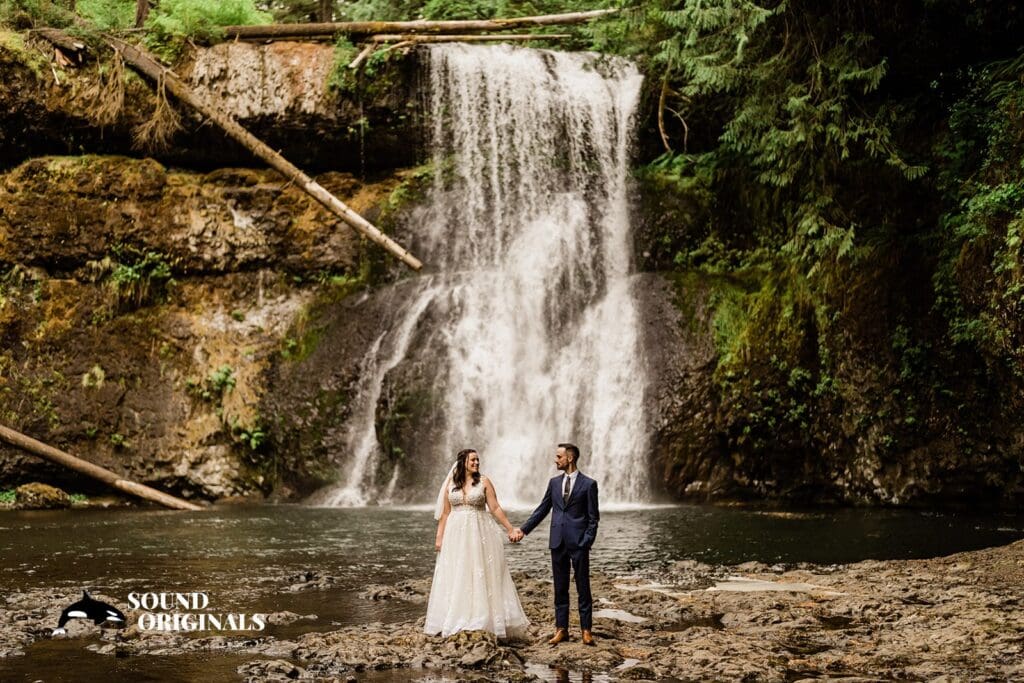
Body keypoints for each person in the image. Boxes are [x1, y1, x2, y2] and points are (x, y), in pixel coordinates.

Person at [424, 448, 530, 639]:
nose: (476, 463)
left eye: (478, 460)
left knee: (480, 572)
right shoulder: (451, 483)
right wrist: (439, 537)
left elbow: (495, 508)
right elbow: (445, 513)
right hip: (455, 535)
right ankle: (456, 615)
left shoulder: (484, 481)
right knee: (458, 572)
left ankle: (482, 618)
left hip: (480, 533)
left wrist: (510, 528)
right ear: (463, 462)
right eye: (472, 460)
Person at [511, 442, 599, 646]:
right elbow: (542, 509)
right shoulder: (553, 483)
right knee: (560, 588)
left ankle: (586, 630)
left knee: (583, 587)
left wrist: (586, 541)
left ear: (570, 458)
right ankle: (561, 629)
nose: (555, 460)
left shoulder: (589, 484)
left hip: (579, 543)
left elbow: (593, 518)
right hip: (557, 541)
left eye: (559, 457)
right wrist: (523, 530)